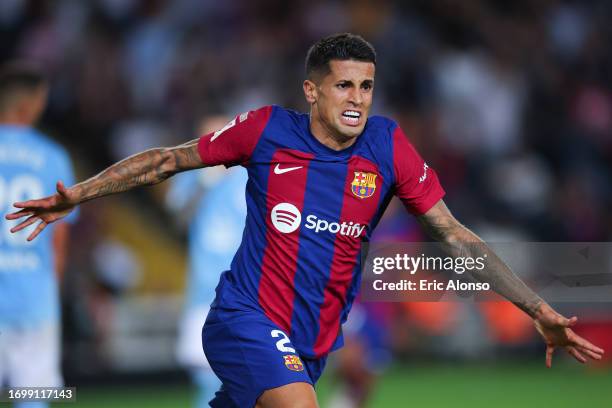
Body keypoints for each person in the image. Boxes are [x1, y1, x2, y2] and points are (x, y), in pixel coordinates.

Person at [6, 34, 604, 408]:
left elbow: (456, 235)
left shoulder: (389, 146)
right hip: (243, 317)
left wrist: (537, 309)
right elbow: (168, 160)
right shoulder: (267, 130)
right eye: (344, 85)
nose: (357, 99)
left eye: (367, 86)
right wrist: (76, 196)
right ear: (312, 91)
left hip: (313, 341)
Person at [0, 63, 77, 407]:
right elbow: (58, 237)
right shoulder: (52, 157)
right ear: (29, 104)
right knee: (33, 397)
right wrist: (53, 289)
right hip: (33, 296)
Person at [166, 116, 247, 408]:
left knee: (246, 380)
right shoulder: (192, 177)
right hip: (203, 294)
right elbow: (178, 222)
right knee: (208, 381)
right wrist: (203, 182)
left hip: (245, 295)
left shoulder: (249, 176)